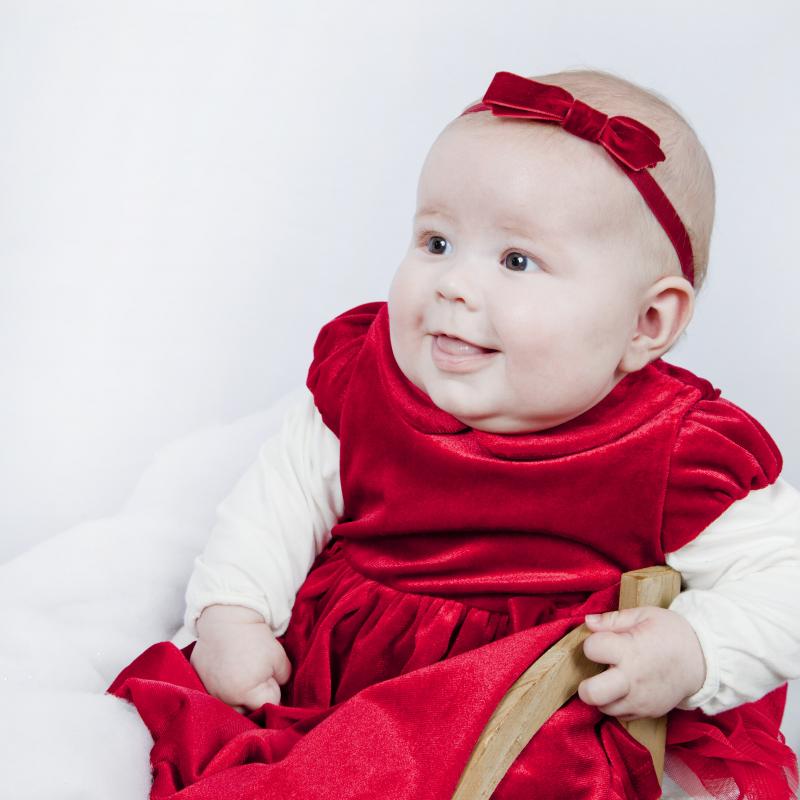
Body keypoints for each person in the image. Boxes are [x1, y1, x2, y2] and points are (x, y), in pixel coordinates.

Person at [108, 69, 800, 800]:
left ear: (646, 323)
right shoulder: (369, 384)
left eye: (515, 260)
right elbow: (277, 503)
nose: (453, 285)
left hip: (531, 728)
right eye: (436, 242)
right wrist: (233, 611)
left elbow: (786, 580)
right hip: (334, 695)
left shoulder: (670, 448)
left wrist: (694, 650)